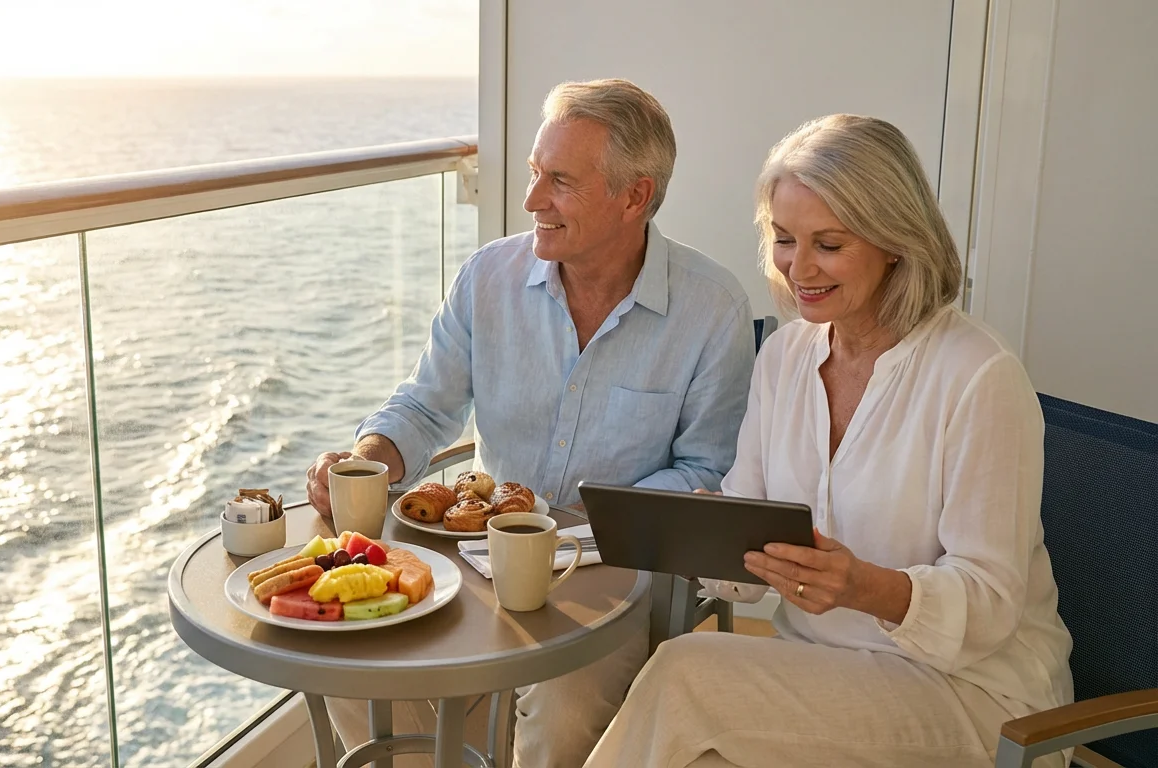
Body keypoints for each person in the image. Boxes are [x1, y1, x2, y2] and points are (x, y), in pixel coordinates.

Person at [583, 114, 1075, 768]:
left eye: (830, 244)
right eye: (785, 239)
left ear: (895, 240)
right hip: (820, 672)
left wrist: (864, 586)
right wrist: (703, 534)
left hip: (974, 695)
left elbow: (990, 605)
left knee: (684, 675)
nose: (799, 267)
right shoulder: (785, 357)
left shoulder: (979, 378)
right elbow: (749, 554)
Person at [304, 78, 755, 767]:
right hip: (477, 562)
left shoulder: (711, 309)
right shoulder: (487, 277)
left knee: (563, 706)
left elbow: (706, 471)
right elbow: (426, 406)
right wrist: (370, 454)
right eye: (534, 173)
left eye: (560, 182)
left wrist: (577, 523)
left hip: (614, 575)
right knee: (349, 659)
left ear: (634, 195)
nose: (531, 200)